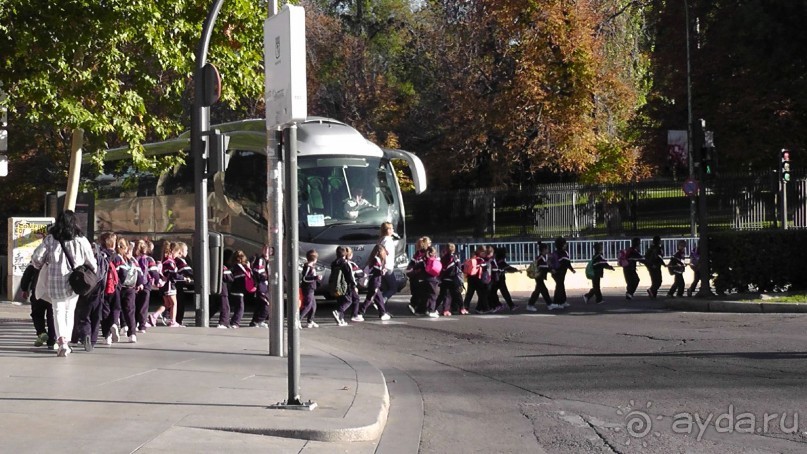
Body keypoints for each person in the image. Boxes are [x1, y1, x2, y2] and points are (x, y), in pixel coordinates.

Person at [30, 210, 98, 357]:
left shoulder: (50, 239)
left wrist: (41, 265)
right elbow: (92, 263)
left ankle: (62, 342)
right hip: (76, 281)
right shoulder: (82, 240)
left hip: (55, 281)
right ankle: (66, 340)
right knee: (70, 311)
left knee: (58, 311)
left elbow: (36, 258)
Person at [114, 237, 143, 342]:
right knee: (130, 310)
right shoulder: (132, 260)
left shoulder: (116, 258)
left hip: (118, 287)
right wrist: (140, 283)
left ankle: (119, 327)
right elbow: (140, 273)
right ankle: (132, 333)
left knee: (116, 308)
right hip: (130, 287)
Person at [21, 262, 55, 349]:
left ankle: (41, 332)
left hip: (38, 292)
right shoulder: (57, 260)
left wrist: (24, 289)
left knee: (36, 314)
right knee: (52, 316)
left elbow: (27, 275)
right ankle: (52, 340)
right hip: (53, 292)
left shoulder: (37, 260)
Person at [148, 242, 181, 328]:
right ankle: (173, 321)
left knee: (167, 304)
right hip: (169, 284)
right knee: (174, 303)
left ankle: (154, 316)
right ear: (173, 251)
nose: (178, 255)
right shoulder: (169, 262)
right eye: (177, 253)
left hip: (163, 285)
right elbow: (172, 274)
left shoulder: (164, 260)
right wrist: (183, 278)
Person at [357, 244, 391, 320]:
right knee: (369, 299)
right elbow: (373, 269)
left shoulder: (375, 259)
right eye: (383, 252)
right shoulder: (376, 260)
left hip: (375, 283)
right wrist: (382, 271)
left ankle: (382, 313)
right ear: (380, 252)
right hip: (375, 283)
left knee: (380, 299)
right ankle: (359, 313)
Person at [229, 250, 255, 329]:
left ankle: (233, 321)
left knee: (237, 307)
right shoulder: (242, 267)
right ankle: (235, 323)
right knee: (240, 308)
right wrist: (249, 267)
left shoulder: (233, 267)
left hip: (234, 290)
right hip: (239, 291)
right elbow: (249, 276)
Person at [330, 246, 356, 326]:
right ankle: (338, 312)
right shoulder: (345, 263)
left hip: (336, 285)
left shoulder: (334, 263)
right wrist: (353, 285)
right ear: (345, 254)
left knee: (340, 301)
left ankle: (341, 319)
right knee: (348, 301)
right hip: (345, 285)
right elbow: (349, 275)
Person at [436, 243, 464, 316]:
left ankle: (436, 308)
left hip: (444, 278)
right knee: (457, 294)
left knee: (443, 295)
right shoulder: (455, 258)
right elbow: (459, 267)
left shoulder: (443, 258)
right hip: (453, 278)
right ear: (454, 249)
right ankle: (461, 308)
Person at [489, 247, 520, 312]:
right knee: (503, 292)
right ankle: (509, 305)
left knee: (493, 292)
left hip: (495, 279)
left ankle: (498, 305)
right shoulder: (499, 261)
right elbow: (507, 267)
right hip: (499, 279)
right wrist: (516, 270)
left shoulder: (495, 260)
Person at [462, 246, 491, 314]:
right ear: (480, 252)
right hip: (478, 278)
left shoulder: (472, 258)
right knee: (482, 294)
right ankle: (484, 308)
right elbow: (485, 268)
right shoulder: (480, 260)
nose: (485, 254)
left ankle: (465, 308)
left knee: (469, 294)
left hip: (470, 278)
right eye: (484, 252)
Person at [406, 236, 431, 315]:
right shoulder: (426, 254)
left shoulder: (416, 254)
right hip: (421, 277)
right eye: (429, 243)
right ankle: (418, 308)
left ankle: (415, 306)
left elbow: (411, 265)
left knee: (417, 293)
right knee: (423, 294)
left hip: (414, 277)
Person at [249, 244, 271, 328]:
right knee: (266, 303)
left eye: (268, 250)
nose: (266, 252)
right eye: (265, 249)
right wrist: (266, 276)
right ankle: (259, 320)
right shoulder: (261, 260)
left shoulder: (271, 260)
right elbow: (258, 272)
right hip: (262, 285)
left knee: (260, 304)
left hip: (267, 286)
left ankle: (254, 321)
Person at [527, 242, 553, 311]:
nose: (548, 250)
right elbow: (543, 267)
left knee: (541, 290)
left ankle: (549, 304)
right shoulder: (541, 258)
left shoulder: (543, 257)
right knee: (540, 291)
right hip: (538, 276)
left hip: (540, 276)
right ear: (544, 249)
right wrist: (550, 270)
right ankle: (530, 305)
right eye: (547, 248)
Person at [550, 237, 575, 309]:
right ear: (562, 245)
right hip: (560, 272)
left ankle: (562, 301)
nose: (566, 245)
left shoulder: (555, 253)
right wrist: (571, 269)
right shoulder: (564, 253)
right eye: (564, 244)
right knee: (559, 286)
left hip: (555, 272)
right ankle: (556, 302)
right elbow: (567, 263)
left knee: (560, 285)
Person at [299, 249, 322, 328]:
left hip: (311, 288)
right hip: (308, 288)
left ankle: (310, 321)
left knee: (313, 306)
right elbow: (305, 278)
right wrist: (316, 277)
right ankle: (298, 319)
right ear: (315, 259)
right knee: (308, 305)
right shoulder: (308, 267)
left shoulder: (311, 267)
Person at [174, 241, 194, 326]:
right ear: (181, 252)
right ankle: (178, 320)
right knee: (180, 303)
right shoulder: (180, 261)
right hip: (177, 285)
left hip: (177, 284)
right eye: (186, 250)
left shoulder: (179, 260)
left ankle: (176, 319)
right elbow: (187, 270)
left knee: (174, 303)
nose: (187, 252)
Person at [378, 222, 399, 304]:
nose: (393, 230)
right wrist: (385, 265)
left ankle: (383, 309)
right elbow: (383, 253)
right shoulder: (387, 240)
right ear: (388, 230)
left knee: (386, 288)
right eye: (391, 228)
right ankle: (381, 302)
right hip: (387, 267)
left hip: (384, 266)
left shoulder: (382, 239)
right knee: (393, 288)